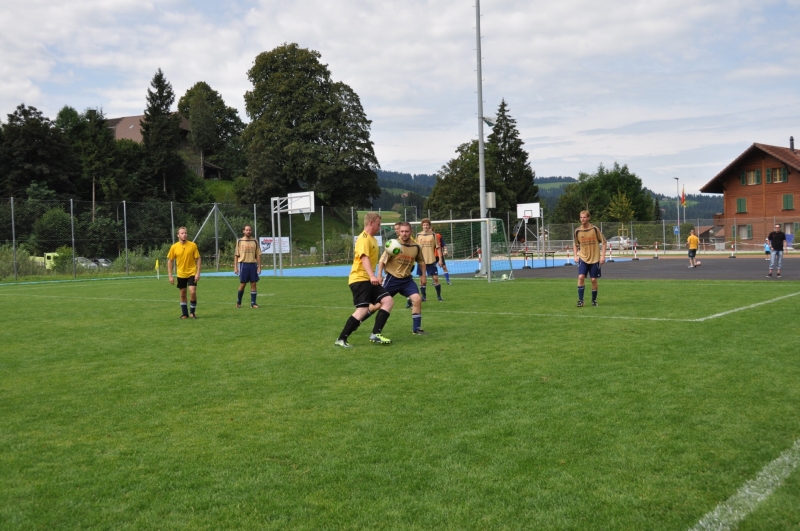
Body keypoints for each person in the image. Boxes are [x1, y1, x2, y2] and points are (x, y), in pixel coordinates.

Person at [335, 212, 394, 347]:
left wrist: (375, 275)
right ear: (371, 223)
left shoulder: (373, 240)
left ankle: (376, 334)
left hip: (368, 279)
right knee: (362, 310)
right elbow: (364, 258)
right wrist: (372, 275)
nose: (379, 227)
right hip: (360, 279)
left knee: (388, 301)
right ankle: (341, 339)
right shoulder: (363, 238)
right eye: (378, 224)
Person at [377, 222, 428, 335]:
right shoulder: (393, 244)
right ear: (399, 232)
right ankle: (358, 319)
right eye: (402, 231)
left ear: (411, 232)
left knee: (417, 299)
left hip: (406, 280)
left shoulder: (416, 247)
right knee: (377, 304)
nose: (404, 234)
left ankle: (416, 329)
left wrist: (423, 276)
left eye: (406, 231)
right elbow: (382, 261)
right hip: (392, 279)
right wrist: (379, 275)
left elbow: (421, 262)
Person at [573, 210, 606, 307]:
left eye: (584, 217)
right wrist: (575, 256)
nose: (582, 219)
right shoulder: (577, 231)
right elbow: (575, 244)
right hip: (583, 258)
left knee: (593, 280)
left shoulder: (594, 229)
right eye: (581, 217)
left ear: (588, 218)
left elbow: (604, 242)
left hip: (595, 259)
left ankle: (594, 300)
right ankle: (581, 301)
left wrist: (603, 256)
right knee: (581, 277)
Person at [167, 226, 202, 319]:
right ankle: (185, 314)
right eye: (182, 233)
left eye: (185, 233)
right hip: (181, 274)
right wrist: (170, 275)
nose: (184, 235)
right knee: (182, 293)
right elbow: (170, 261)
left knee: (192, 292)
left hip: (192, 272)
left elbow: (198, 258)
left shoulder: (193, 245)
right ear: (178, 235)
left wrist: (198, 273)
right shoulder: (174, 247)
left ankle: (192, 312)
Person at [234, 224, 262, 308]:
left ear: (251, 231)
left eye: (249, 230)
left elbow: (258, 254)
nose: (248, 231)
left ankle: (253, 303)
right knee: (243, 284)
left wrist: (259, 266)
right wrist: (235, 267)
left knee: (253, 283)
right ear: (243, 231)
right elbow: (236, 255)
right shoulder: (239, 241)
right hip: (243, 264)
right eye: (246, 230)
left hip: (253, 264)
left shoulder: (255, 241)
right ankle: (239, 302)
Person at [416, 218, 443, 301]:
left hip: (431, 260)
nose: (425, 226)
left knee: (435, 279)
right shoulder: (418, 235)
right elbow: (415, 248)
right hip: (421, 261)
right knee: (422, 281)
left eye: (427, 225)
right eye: (424, 225)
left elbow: (438, 248)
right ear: (422, 226)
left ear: (429, 226)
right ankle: (424, 297)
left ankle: (439, 296)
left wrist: (440, 259)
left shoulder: (433, 235)